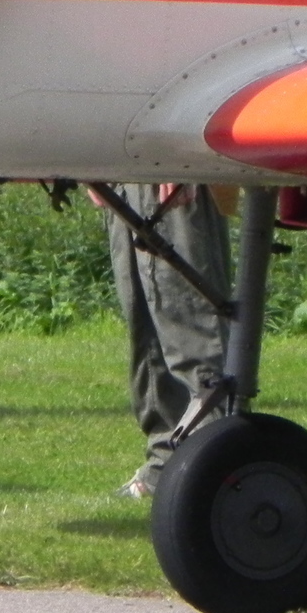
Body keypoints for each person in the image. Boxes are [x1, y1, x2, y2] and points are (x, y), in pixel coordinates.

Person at [102, 183, 232, 498]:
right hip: (124, 169)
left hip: (169, 167)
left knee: (190, 321)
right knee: (144, 327)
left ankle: (212, 464)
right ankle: (165, 464)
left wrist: (181, 161)